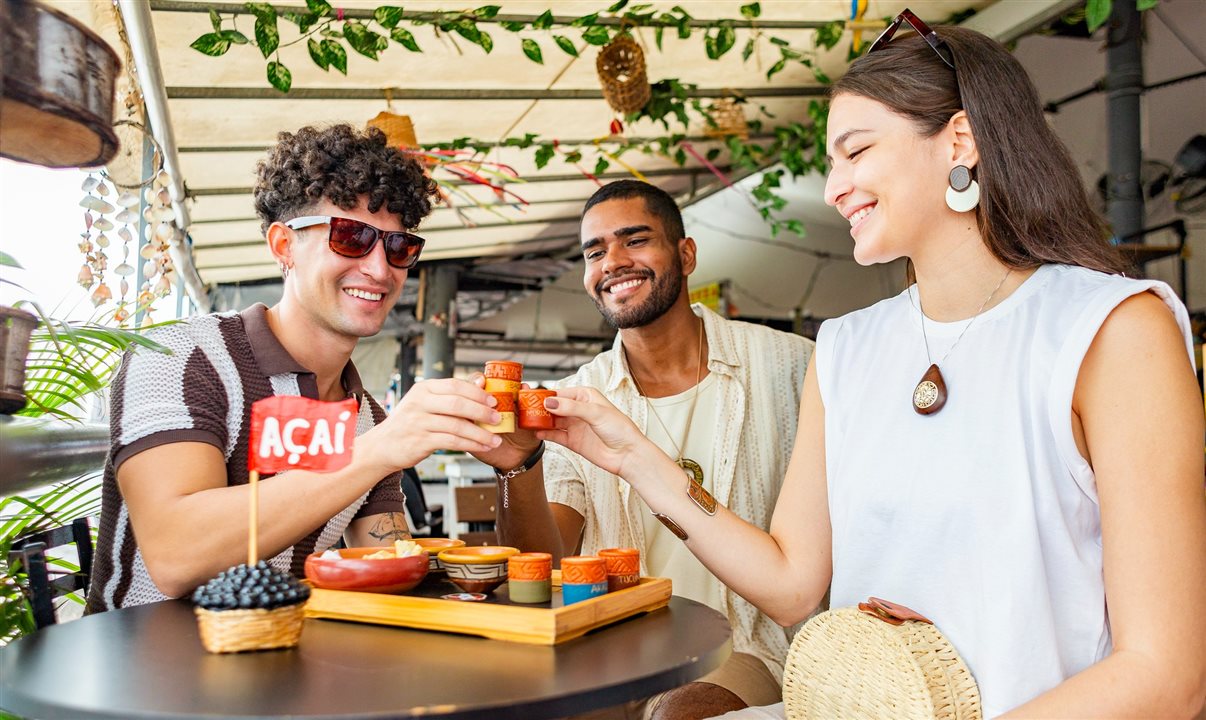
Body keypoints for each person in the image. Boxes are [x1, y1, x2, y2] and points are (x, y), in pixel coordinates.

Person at [533, 16, 1206, 719]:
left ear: (960, 140)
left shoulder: (1113, 329)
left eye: (854, 152)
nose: (833, 188)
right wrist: (633, 456)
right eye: (831, 162)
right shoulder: (848, 348)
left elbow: (1166, 674)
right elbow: (793, 582)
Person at [88, 124, 507, 612]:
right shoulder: (181, 357)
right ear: (284, 245)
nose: (379, 269)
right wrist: (373, 454)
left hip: (286, 662)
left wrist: (514, 464)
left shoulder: (367, 417)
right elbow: (177, 554)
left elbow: (388, 564)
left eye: (398, 248)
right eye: (351, 237)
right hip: (146, 675)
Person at [487, 180, 815, 719]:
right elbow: (547, 563)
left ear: (685, 255)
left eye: (634, 240)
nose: (612, 261)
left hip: (747, 646)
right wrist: (517, 466)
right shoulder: (577, 400)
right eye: (595, 252)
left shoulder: (791, 368)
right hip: (613, 645)